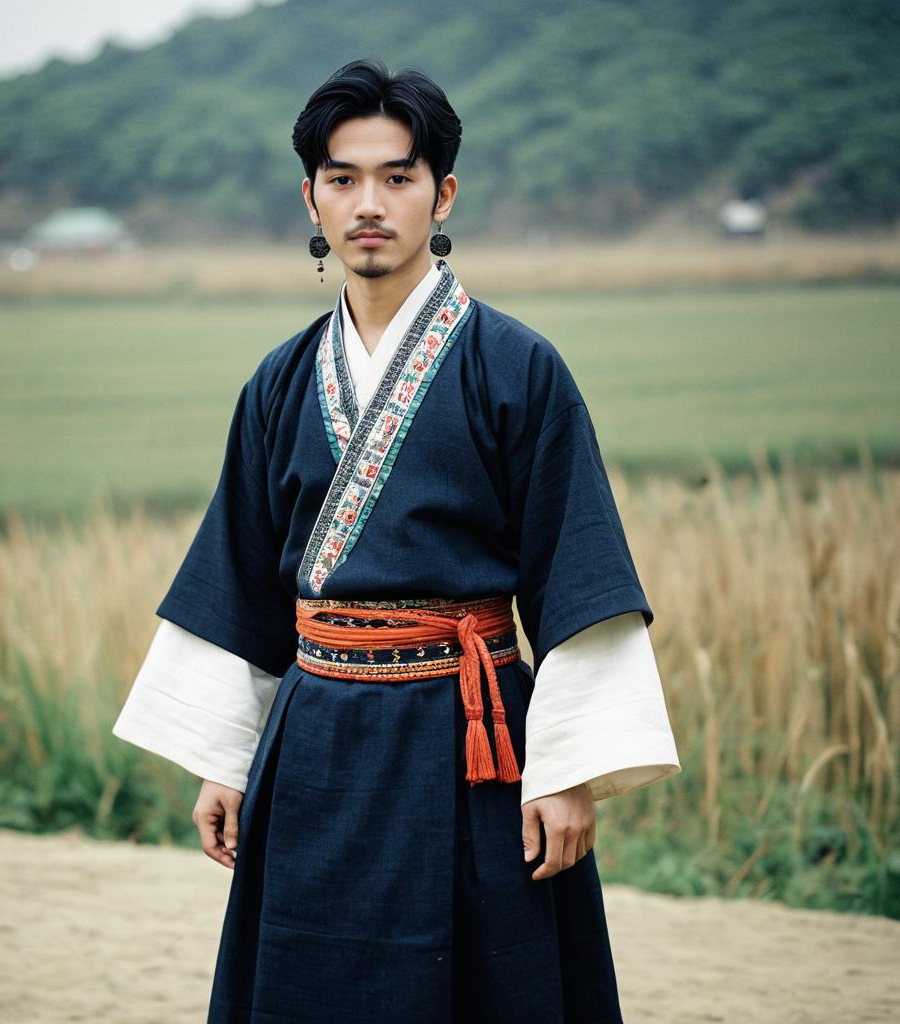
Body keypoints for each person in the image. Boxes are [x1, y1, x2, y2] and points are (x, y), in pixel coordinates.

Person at [112, 57, 681, 1023]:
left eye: (398, 176)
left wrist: (569, 772)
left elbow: (575, 571)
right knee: (310, 980)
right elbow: (241, 577)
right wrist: (226, 757)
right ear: (312, 198)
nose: (368, 203)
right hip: (317, 738)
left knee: (483, 984)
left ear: (442, 192)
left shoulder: (518, 368)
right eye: (343, 179)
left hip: (469, 739)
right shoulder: (280, 381)